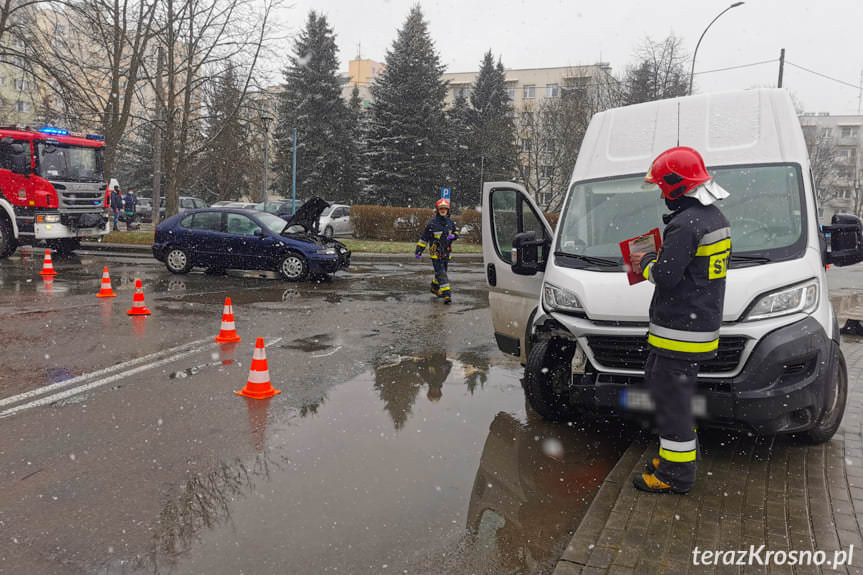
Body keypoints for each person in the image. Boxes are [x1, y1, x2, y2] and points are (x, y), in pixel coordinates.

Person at [631, 146, 731, 495]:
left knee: (672, 403)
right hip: (694, 327)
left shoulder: (687, 225)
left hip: (679, 332)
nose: (660, 193)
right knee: (674, 397)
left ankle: (675, 476)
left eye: (662, 185)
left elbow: (667, 276)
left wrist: (642, 261)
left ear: (676, 184)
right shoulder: (713, 218)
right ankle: (674, 459)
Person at [414, 198, 459, 304]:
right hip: (435, 252)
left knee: (441, 272)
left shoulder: (450, 222)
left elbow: (456, 232)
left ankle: (434, 287)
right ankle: (447, 294)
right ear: (437, 210)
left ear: (448, 210)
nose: (443, 210)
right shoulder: (432, 224)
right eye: (441, 208)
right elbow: (424, 238)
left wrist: (454, 236)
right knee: (441, 272)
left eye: (445, 208)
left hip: (446, 252)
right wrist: (419, 250)